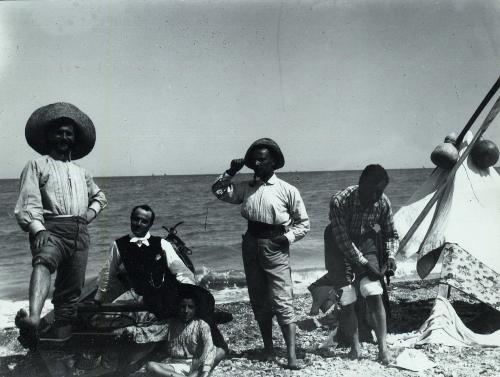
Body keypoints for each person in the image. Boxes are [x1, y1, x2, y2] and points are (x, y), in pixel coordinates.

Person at [14, 102, 108, 349]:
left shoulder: (81, 172)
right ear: (49, 137)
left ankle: (59, 343)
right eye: (59, 132)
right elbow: (28, 203)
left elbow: (100, 197)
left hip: (79, 233)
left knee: (70, 294)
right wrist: (38, 229)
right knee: (43, 263)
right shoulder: (37, 165)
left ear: (74, 139)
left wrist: (87, 216)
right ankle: (34, 318)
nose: (64, 137)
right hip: (50, 229)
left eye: (68, 133)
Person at [211, 138, 310, 369]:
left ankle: (291, 355)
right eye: (253, 159)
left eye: (262, 159)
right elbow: (218, 191)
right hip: (250, 243)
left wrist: (284, 239)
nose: (256, 163)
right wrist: (231, 171)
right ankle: (268, 348)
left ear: (273, 162)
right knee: (258, 300)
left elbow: (303, 224)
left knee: (283, 300)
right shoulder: (246, 187)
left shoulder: (288, 190)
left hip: (275, 245)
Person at [94, 204, 227, 360]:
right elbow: (107, 274)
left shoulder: (161, 244)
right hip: (139, 294)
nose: (138, 224)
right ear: (131, 220)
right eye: (135, 219)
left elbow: (182, 272)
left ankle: (213, 339)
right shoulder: (119, 245)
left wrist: (188, 294)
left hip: (165, 293)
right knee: (100, 320)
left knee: (195, 313)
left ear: (150, 224)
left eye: (144, 221)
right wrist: (99, 298)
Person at [326, 164, 398, 364]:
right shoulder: (340, 201)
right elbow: (343, 242)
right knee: (348, 297)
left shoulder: (383, 202)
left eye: (381, 191)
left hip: (366, 243)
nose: (377, 196)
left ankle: (383, 348)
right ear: (362, 184)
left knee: (373, 291)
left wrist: (391, 257)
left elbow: (391, 234)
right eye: (373, 190)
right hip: (338, 245)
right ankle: (355, 346)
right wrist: (365, 264)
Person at [145, 285, 219, 377]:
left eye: (190, 307)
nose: (186, 311)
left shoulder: (201, 325)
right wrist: (128, 330)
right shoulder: (170, 324)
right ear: (177, 307)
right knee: (150, 366)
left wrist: (205, 371)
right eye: (183, 307)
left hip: (193, 365)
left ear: (196, 309)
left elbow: (209, 349)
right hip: (172, 365)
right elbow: (150, 331)